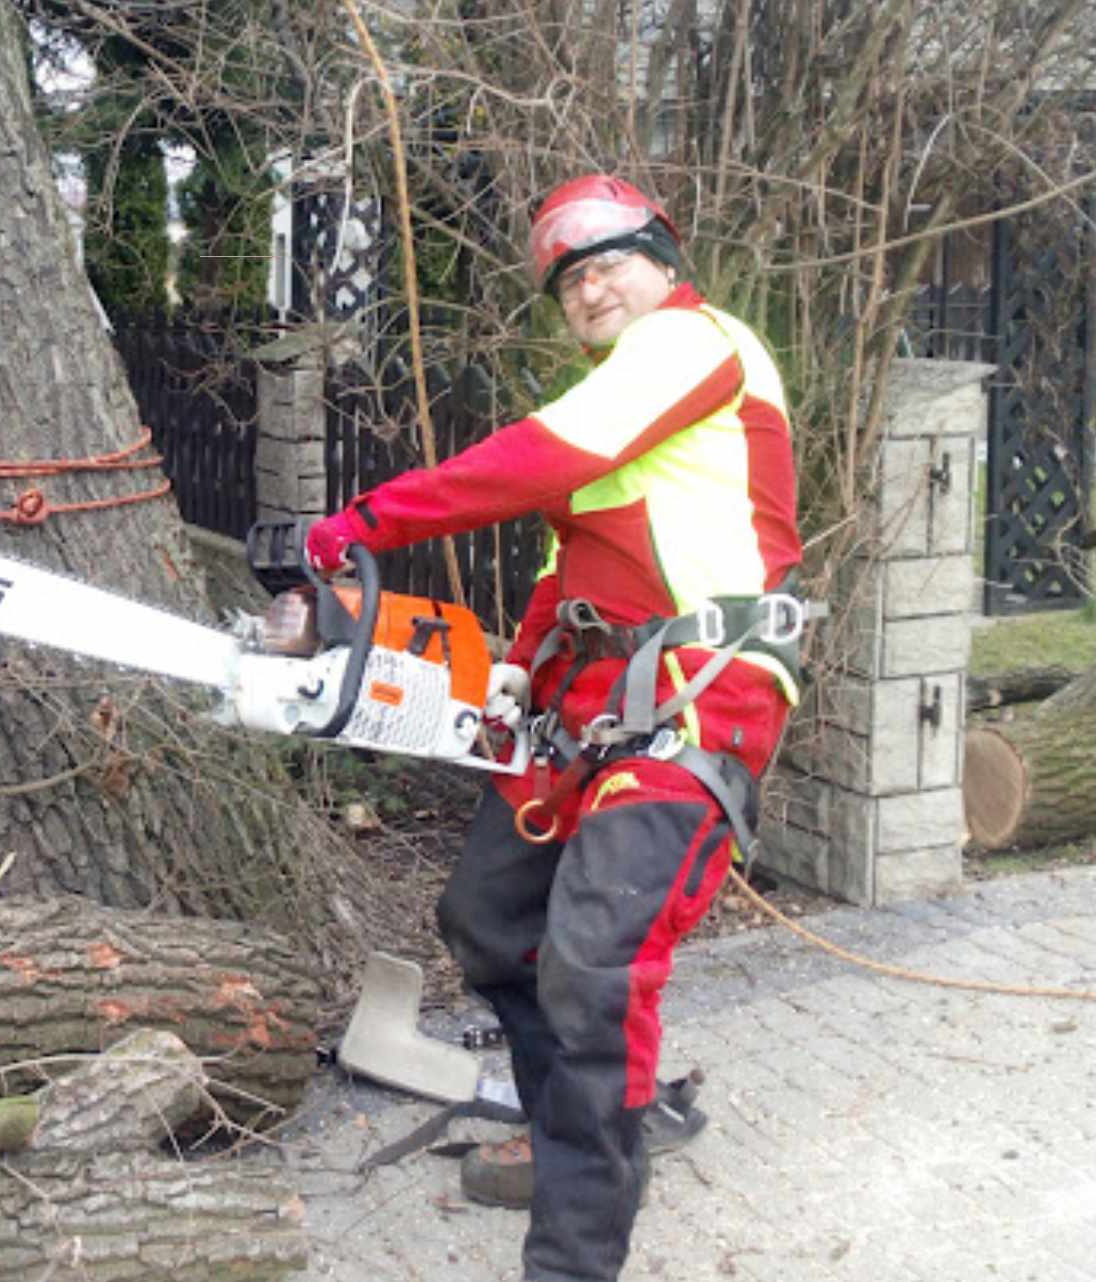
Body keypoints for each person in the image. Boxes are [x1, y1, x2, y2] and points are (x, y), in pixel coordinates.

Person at [306, 174, 805, 1282]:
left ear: (665, 266)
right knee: (489, 916)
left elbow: (538, 458)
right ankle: (581, 1121)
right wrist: (513, 677)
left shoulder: (693, 343)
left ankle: (574, 1255)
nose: (589, 290)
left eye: (608, 264)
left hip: (698, 693)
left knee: (595, 964)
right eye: (571, 282)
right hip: (588, 710)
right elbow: (557, 577)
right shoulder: (627, 422)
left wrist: (362, 522)